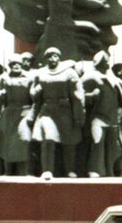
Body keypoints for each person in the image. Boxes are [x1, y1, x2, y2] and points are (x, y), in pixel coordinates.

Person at [30, 47, 84, 179]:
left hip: (65, 110)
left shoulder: (69, 72)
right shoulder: (41, 73)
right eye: (49, 56)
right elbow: (33, 94)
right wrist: (35, 91)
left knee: (69, 141)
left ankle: (70, 169)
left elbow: (77, 95)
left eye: (54, 55)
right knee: (48, 139)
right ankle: (47, 169)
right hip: (47, 110)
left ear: (59, 57)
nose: (52, 58)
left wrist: (79, 115)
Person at [80, 51, 122, 177]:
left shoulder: (111, 79)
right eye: (105, 61)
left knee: (113, 148)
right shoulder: (90, 77)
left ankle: (110, 171)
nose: (107, 64)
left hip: (112, 119)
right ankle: (95, 170)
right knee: (98, 144)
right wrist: (91, 96)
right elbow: (78, 95)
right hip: (98, 118)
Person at [0, 54, 35, 176]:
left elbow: (35, 98)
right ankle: (9, 171)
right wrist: (1, 94)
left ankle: (27, 170)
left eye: (18, 64)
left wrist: (32, 115)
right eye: (13, 64)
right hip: (9, 114)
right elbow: (0, 97)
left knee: (25, 140)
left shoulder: (29, 78)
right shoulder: (4, 79)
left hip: (25, 111)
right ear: (10, 66)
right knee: (8, 143)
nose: (16, 66)